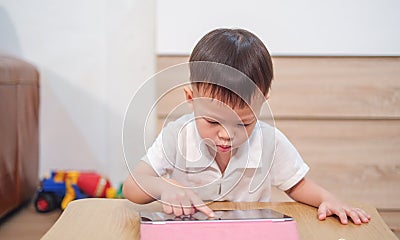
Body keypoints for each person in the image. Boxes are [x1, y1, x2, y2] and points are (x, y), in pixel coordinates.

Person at [123, 28, 370, 225]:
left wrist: (329, 199)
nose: (226, 135)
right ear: (190, 99)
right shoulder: (177, 135)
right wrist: (164, 188)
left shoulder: (269, 141)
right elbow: (133, 186)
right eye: (212, 121)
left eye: (243, 123)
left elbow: (298, 185)